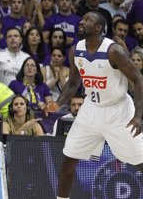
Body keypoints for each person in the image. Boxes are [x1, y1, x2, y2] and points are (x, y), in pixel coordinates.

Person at [46, 11, 143, 199]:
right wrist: (58, 104)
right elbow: (73, 83)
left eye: (87, 20)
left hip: (118, 110)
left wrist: (138, 116)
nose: (81, 22)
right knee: (68, 159)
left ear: (98, 28)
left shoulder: (113, 51)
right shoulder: (76, 50)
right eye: (82, 19)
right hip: (91, 109)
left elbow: (139, 79)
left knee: (139, 161)